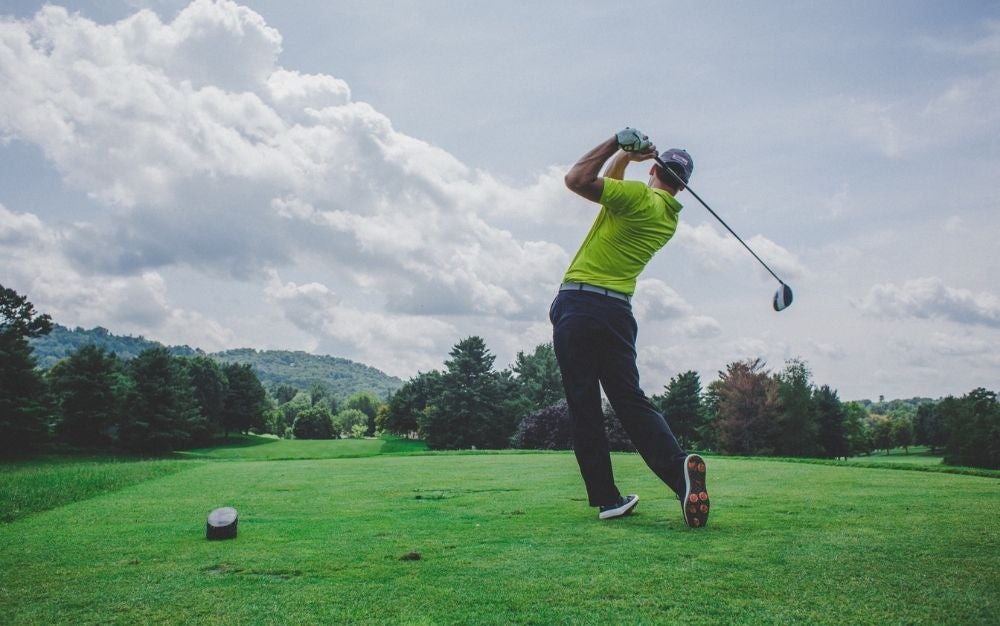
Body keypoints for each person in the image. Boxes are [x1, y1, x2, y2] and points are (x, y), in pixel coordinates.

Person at [549, 127, 709, 527]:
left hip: (580, 305)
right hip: (618, 313)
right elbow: (612, 186)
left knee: (584, 405)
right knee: (630, 401)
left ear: (654, 170)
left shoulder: (637, 197)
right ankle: (679, 474)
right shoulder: (666, 217)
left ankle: (607, 498)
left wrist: (614, 143)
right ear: (682, 187)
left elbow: (577, 179)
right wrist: (626, 158)